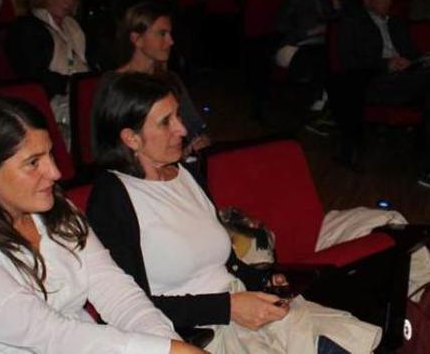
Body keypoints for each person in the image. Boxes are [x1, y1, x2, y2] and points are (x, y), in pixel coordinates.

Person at [87, 73, 382, 353]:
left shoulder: (185, 174)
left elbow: (224, 264)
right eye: (166, 122)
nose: (183, 129)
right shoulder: (113, 197)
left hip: (243, 309)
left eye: (178, 115)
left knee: (349, 337)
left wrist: (263, 279)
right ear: (131, 138)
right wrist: (228, 308)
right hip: (200, 334)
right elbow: (131, 307)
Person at [0, 96, 203, 353]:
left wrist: (167, 341)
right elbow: (50, 334)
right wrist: (165, 352)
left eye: (50, 154)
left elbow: (118, 294)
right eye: (33, 162)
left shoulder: (55, 211)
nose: (55, 172)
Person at [338, 0, 430, 194]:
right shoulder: (354, 22)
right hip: (375, 83)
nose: (388, 2)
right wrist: (386, 64)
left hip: (404, 80)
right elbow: (350, 61)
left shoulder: (397, 22)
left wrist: (422, 60)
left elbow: (411, 53)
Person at [6, 0, 94, 142]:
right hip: (49, 101)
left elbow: (93, 64)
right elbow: (32, 76)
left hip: (79, 93)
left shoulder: (76, 28)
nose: (71, 1)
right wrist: (72, 84)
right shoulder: (27, 28)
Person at [112, 1, 210, 157]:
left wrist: (201, 140)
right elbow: (116, 149)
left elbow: (195, 125)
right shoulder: (115, 86)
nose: (171, 41)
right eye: (162, 34)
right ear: (137, 39)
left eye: (170, 34)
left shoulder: (170, 79)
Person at [275, 0, 340, 115]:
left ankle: (326, 101)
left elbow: (340, 25)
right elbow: (281, 27)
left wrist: (336, 2)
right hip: (292, 46)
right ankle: (317, 102)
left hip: (318, 46)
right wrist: (312, 31)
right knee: (322, 57)